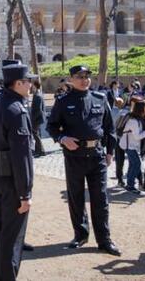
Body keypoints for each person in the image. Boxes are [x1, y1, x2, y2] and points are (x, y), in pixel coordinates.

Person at [46, 65, 121, 256]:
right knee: (76, 197)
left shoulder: (100, 98)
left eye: (87, 76)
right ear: (71, 79)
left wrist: (110, 152)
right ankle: (80, 234)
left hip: (97, 156)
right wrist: (62, 139)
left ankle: (104, 240)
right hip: (74, 156)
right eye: (79, 76)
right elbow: (52, 126)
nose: (84, 79)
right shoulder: (63, 101)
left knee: (101, 199)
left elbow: (110, 128)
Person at [0, 63, 36, 280]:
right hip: (12, 182)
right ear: (18, 83)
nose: (31, 85)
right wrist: (25, 193)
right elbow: (22, 155)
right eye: (28, 81)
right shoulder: (17, 110)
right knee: (12, 238)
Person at [119, 99, 145, 194]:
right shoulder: (134, 121)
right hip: (129, 146)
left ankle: (130, 184)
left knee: (133, 164)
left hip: (132, 146)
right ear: (141, 109)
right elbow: (137, 136)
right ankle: (130, 185)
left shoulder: (138, 119)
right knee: (137, 164)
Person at [112, 98, 129, 188]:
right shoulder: (123, 112)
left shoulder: (112, 111)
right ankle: (120, 178)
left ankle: (120, 178)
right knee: (121, 159)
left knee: (119, 159)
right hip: (121, 137)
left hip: (116, 138)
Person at [30, 79, 46, 157]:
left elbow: (39, 110)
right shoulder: (36, 94)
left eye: (32, 85)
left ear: (35, 86)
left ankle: (41, 151)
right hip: (37, 118)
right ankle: (38, 150)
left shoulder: (38, 95)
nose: (31, 86)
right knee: (36, 134)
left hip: (37, 118)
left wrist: (33, 119)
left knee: (36, 135)